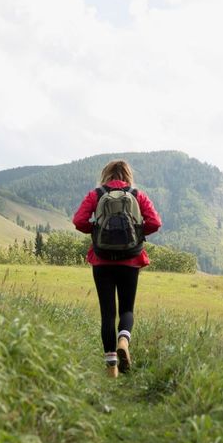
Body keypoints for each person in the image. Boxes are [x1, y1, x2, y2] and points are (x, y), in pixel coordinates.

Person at [73, 159, 161, 377]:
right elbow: (155, 223)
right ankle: (124, 340)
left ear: (106, 175)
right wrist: (137, 232)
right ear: (127, 175)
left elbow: (79, 221)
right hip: (130, 260)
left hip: (102, 260)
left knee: (107, 314)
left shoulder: (96, 194)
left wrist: (96, 229)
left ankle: (112, 369)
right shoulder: (137, 194)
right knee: (127, 310)